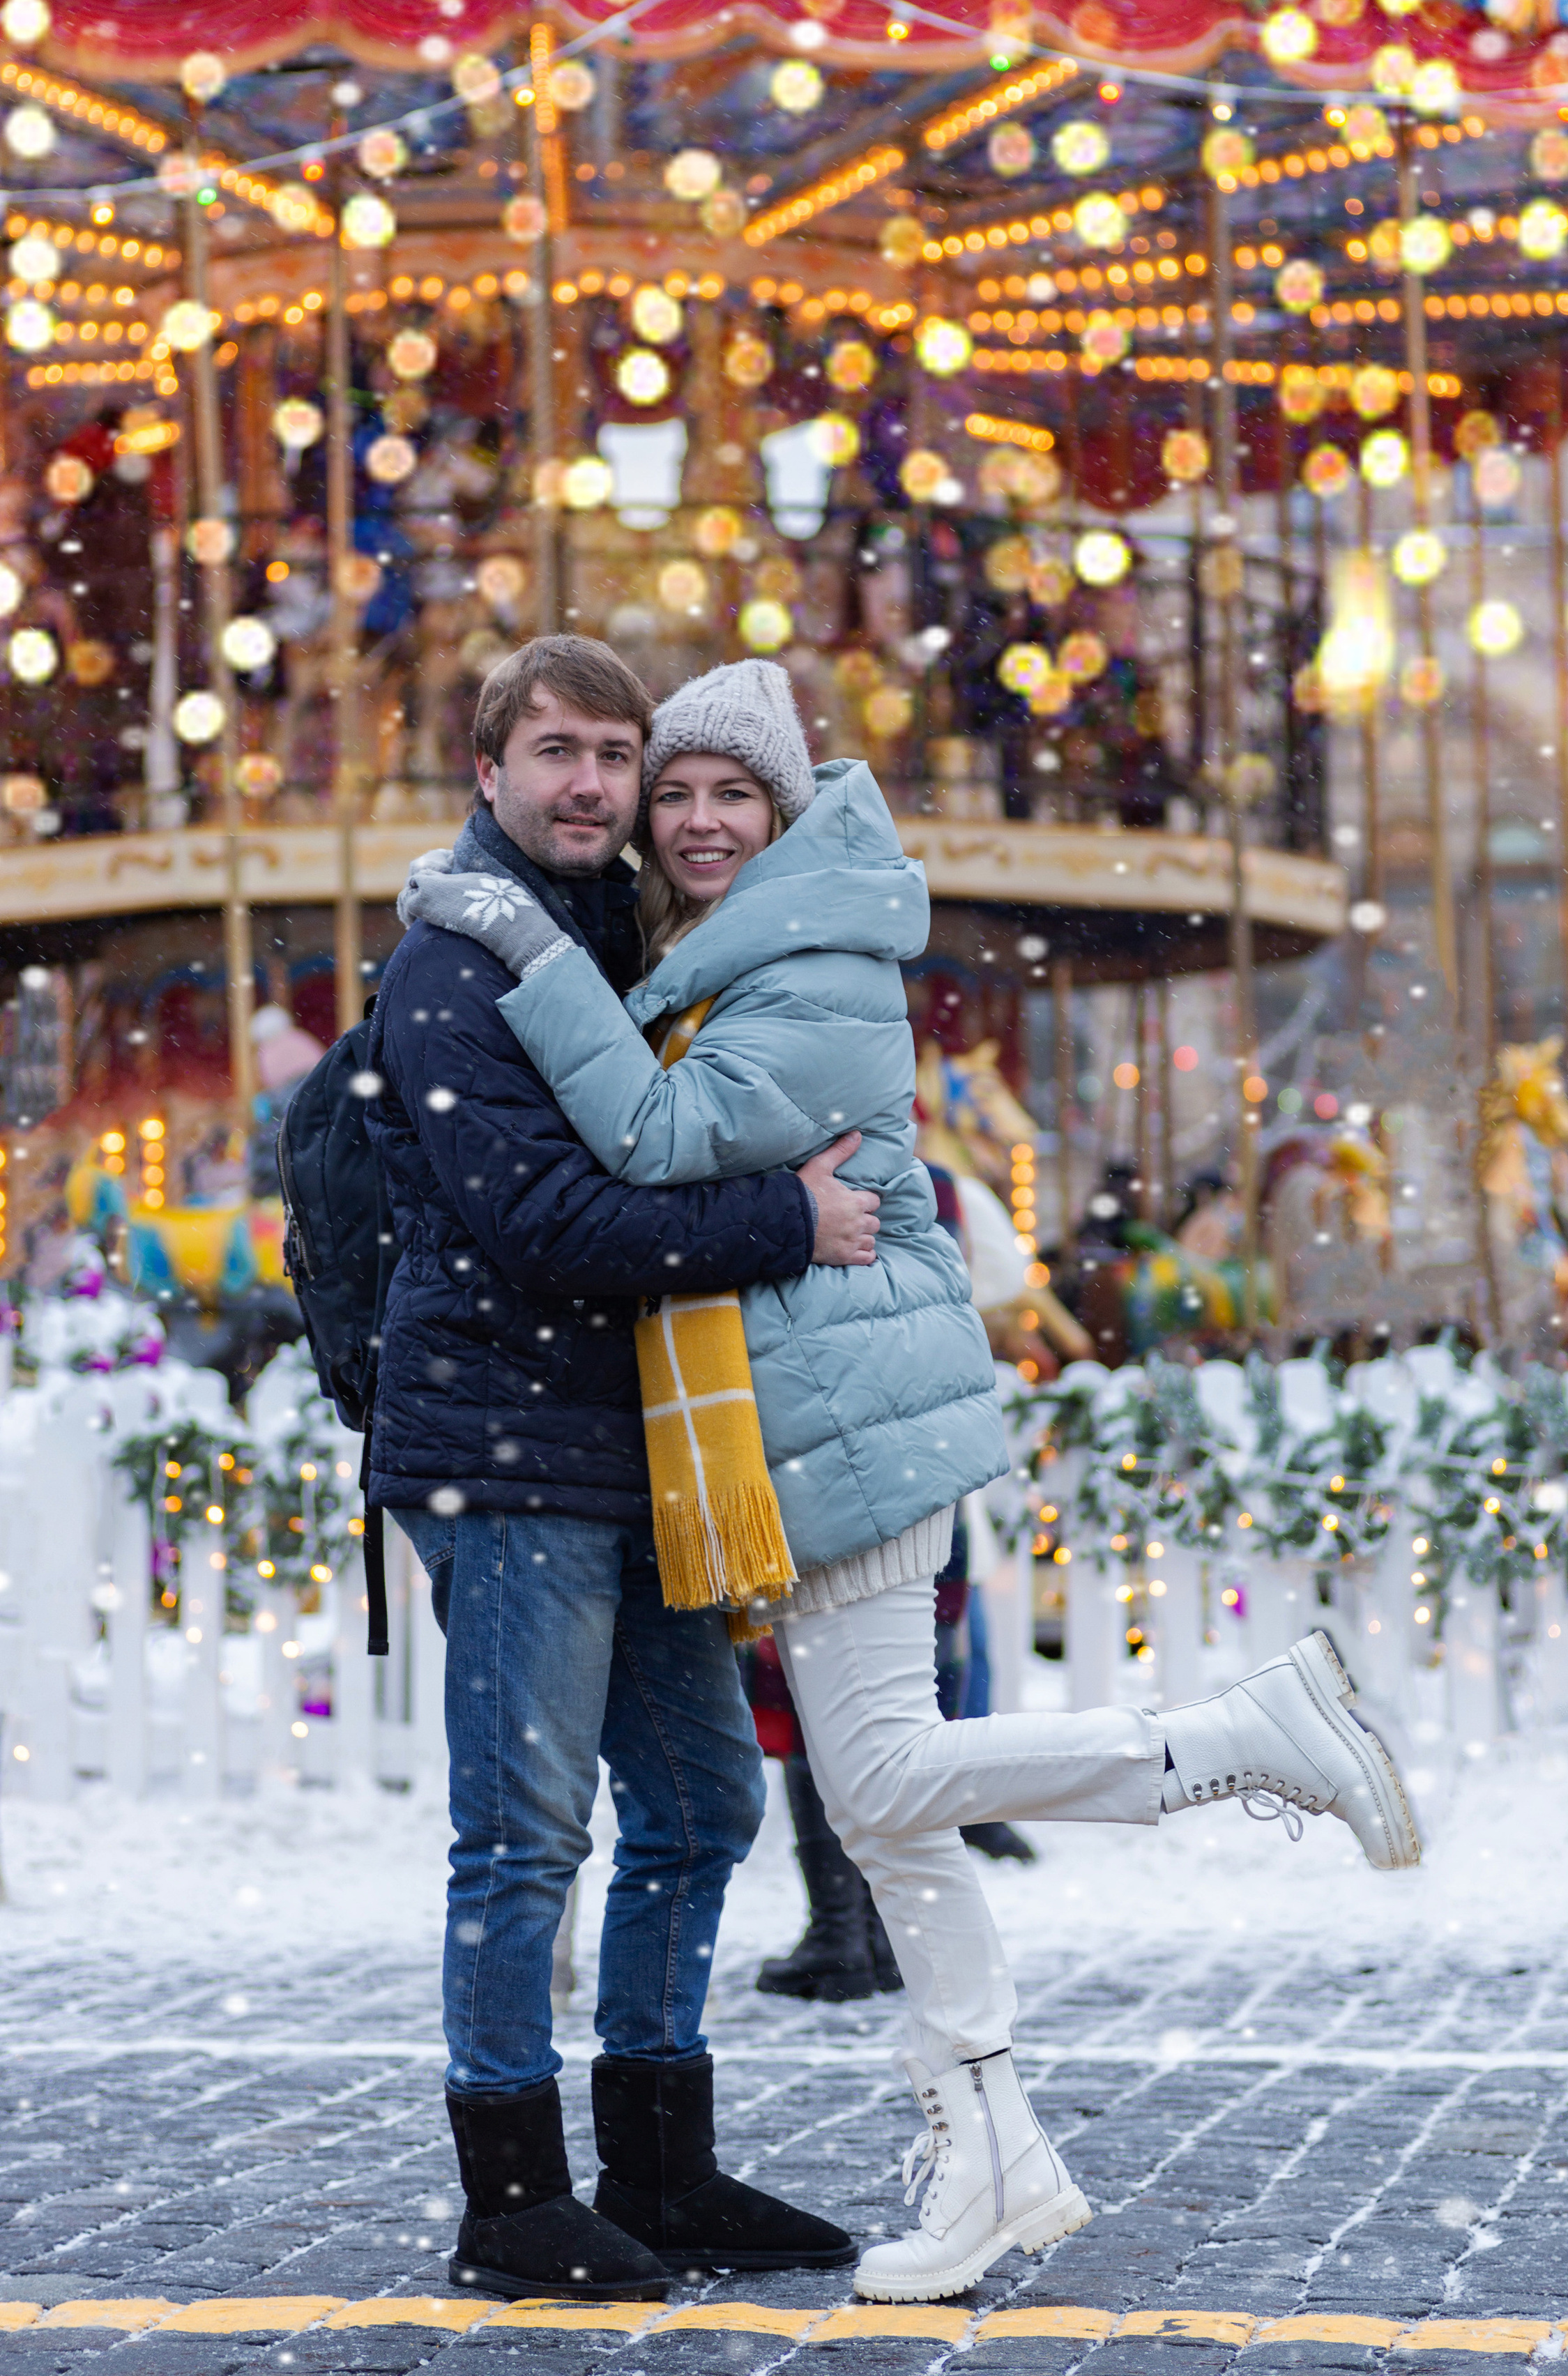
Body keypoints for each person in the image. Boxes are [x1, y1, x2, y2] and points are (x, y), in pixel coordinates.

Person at [400, 658, 1422, 2306]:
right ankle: (964, 2150)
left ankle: (1234, 1740)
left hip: (833, 1423)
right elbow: (562, 1202)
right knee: (841, 1818)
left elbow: (659, 1145)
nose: (683, 814)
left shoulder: (786, 956)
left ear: (788, 807)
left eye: (716, 788)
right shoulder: (634, 950)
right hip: (711, 1433)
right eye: (668, 789)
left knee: (865, 1785)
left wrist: (547, 966)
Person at [365, 636, 879, 2306]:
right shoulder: (460, 961)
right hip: (507, 1454)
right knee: (520, 1833)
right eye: (558, 753)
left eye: (613, 755)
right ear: (490, 769)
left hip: (628, 1444)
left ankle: (658, 2160)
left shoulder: (616, 930)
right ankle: (510, 2190)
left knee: (706, 1798)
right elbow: (540, 1221)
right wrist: (779, 1219)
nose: (591, 785)